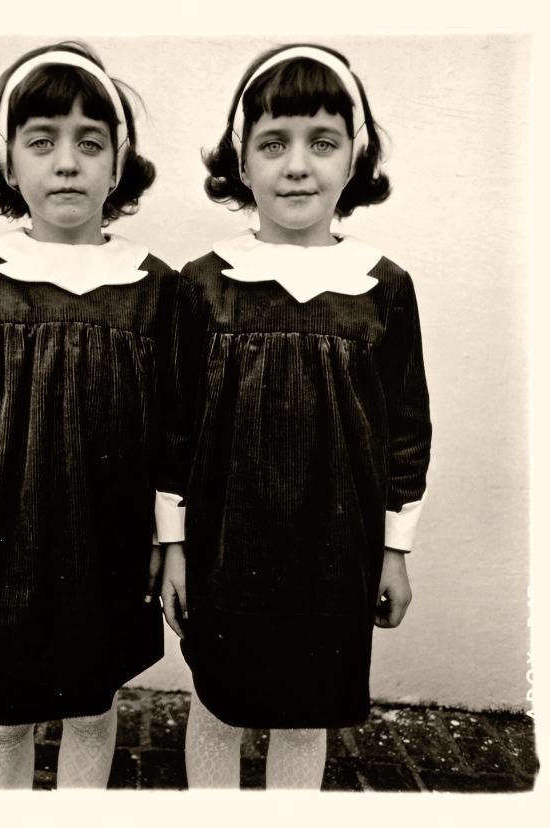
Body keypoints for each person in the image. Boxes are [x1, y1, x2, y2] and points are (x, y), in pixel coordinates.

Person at [161, 43, 431, 789]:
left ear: (355, 159)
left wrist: (395, 549)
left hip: (334, 549)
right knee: (219, 700)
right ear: (241, 162)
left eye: (322, 142)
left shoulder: (383, 288)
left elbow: (406, 428)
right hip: (224, 542)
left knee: (306, 708)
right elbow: (173, 430)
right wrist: (174, 546)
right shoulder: (204, 285)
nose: (297, 165)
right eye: (272, 143)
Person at [0, 41, 183, 789]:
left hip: (108, 535)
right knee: (4, 708)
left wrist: (170, 539)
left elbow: (171, 432)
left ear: (117, 163)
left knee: (91, 702)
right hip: (1, 533)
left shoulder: (150, 286)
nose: (67, 162)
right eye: (42, 140)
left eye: (89, 143)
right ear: (8, 161)